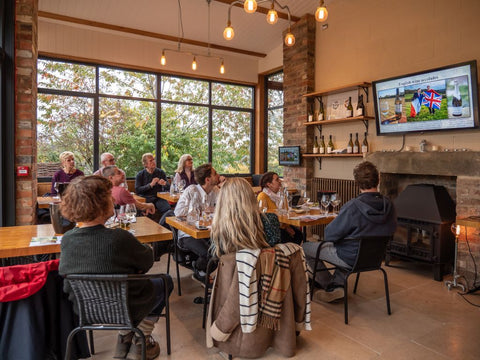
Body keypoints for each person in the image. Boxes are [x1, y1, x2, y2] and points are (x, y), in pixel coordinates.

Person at [58, 176, 173, 360]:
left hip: (85, 309)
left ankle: (124, 337)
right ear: (102, 203)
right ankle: (139, 337)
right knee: (165, 281)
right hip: (126, 306)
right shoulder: (118, 238)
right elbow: (147, 261)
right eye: (109, 196)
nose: (113, 199)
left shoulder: (68, 239)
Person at [206, 177, 311, 358]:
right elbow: (272, 245)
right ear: (250, 196)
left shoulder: (222, 229)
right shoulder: (270, 220)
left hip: (237, 288)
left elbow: (224, 258)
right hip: (274, 282)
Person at [303, 161, 397, 303]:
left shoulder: (353, 206)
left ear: (357, 183)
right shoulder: (389, 204)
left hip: (349, 257)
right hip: (375, 257)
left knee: (304, 247)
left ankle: (330, 286)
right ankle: (337, 284)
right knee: (350, 246)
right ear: (378, 180)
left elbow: (329, 235)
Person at [174, 163, 224, 282]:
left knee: (223, 250)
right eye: (215, 174)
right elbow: (178, 212)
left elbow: (225, 209)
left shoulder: (216, 191)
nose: (218, 176)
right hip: (188, 234)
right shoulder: (191, 190)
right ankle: (198, 270)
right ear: (207, 179)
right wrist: (201, 210)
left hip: (208, 231)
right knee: (211, 254)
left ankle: (202, 270)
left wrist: (212, 210)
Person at [257, 172, 303, 245]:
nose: (280, 181)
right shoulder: (263, 196)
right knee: (289, 237)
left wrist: (287, 226)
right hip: (271, 228)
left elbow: (286, 212)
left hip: (282, 225)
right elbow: (264, 218)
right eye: (277, 179)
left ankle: (292, 254)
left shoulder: (280, 195)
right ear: (269, 184)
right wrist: (285, 228)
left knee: (299, 235)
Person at [135, 153, 171, 222]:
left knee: (168, 210)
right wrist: (150, 185)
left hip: (158, 198)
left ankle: (163, 226)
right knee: (143, 210)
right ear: (145, 164)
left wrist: (164, 184)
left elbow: (169, 187)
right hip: (146, 198)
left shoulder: (160, 172)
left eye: (153, 160)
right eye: (150, 161)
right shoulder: (140, 175)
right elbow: (138, 190)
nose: (153, 162)